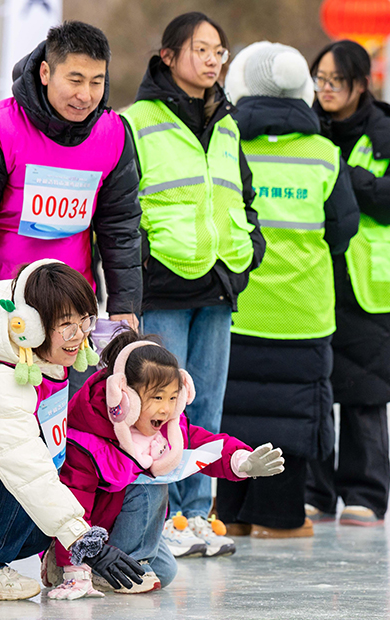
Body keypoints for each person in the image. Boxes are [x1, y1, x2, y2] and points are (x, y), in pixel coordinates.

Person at [122, 12, 265, 557]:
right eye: (200, 50)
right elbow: (124, 207)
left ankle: (195, 515)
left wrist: (248, 255)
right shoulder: (137, 120)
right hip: (164, 286)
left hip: (218, 281)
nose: (211, 60)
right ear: (168, 56)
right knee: (157, 407)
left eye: (218, 52)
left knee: (206, 407)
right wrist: (141, 270)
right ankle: (156, 519)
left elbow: (242, 198)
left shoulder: (227, 123)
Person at [0, 259, 144, 599]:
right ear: (30, 325)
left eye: (85, 321)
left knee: (44, 520)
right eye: (67, 326)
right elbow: (26, 465)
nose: (80, 335)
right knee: (34, 458)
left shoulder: (26, 346)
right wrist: (87, 544)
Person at [217, 42, 359, 538]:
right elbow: (344, 229)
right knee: (293, 416)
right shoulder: (324, 155)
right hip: (302, 310)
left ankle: (229, 514)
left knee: (232, 410)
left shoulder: (229, 144)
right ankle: (280, 517)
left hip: (238, 306)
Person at [42, 330, 284, 599]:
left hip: (120, 529)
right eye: (157, 398)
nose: (166, 409)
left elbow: (205, 444)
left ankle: (121, 568)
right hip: (94, 533)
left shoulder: (165, 427)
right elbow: (76, 503)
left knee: (166, 571)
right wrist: (75, 567)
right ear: (125, 397)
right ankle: (84, 566)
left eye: (172, 398)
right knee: (151, 486)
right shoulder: (88, 437)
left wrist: (242, 460)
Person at [0, 21, 141, 337]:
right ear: (46, 73)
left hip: (74, 311)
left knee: (75, 389)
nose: (85, 95)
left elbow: (120, 225)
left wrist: (125, 303)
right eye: (74, 79)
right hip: (2, 308)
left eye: (96, 82)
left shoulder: (114, 134)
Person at [304, 40, 390, 527]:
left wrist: (342, 174)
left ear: (360, 84)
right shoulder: (302, 127)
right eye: (320, 80)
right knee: (313, 388)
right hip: (314, 276)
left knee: (365, 393)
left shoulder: (386, 130)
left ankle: (365, 493)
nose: (326, 90)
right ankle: (315, 489)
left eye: (336, 81)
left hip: (369, 284)